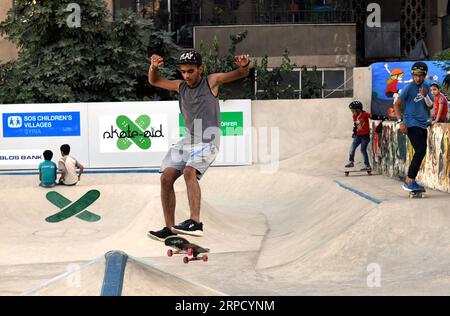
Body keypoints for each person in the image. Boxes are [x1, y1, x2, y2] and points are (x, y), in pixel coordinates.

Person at [147, 50, 250, 241]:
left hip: (208, 140)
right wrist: (153, 67)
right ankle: (170, 228)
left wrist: (243, 66)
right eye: (184, 72)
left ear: (200, 69)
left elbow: (240, 74)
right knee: (166, 178)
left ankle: (196, 222)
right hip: (188, 141)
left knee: (188, 171)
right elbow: (155, 81)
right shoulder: (180, 87)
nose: (186, 76)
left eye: (191, 71)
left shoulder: (211, 81)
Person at [393, 62, 434, 192]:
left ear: (424, 75)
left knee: (422, 151)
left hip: (423, 125)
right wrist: (401, 122)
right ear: (412, 75)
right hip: (411, 123)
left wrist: (425, 95)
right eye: (415, 75)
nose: (417, 78)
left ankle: (411, 180)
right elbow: (396, 104)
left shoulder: (426, 86)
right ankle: (409, 181)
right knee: (421, 149)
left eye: (420, 76)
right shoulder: (409, 88)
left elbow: (430, 106)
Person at [345, 101, 372, 171]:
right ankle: (351, 162)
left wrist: (382, 117)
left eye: (353, 110)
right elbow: (356, 125)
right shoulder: (354, 116)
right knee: (352, 148)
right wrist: (354, 132)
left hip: (365, 136)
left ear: (358, 109)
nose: (352, 112)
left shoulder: (364, 114)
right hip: (358, 136)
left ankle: (367, 166)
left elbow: (372, 116)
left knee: (363, 150)